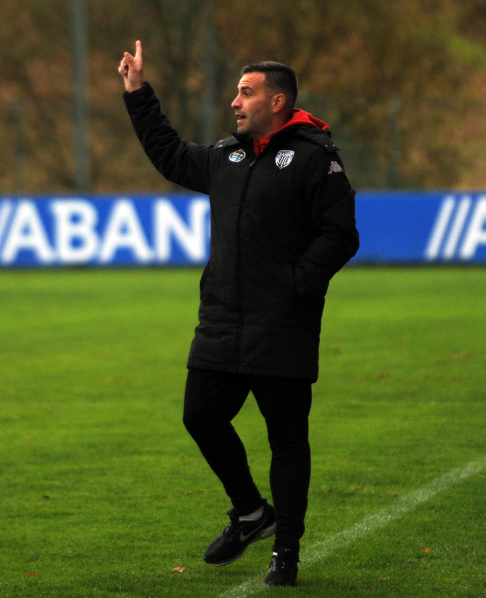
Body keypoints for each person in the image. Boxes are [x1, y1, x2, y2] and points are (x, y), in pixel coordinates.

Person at [118, 41, 359, 587]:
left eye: (245, 93)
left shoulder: (315, 156)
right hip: (222, 322)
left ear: (278, 102)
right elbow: (169, 154)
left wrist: (296, 285)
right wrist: (137, 93)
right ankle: (252, 513)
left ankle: (287, 553)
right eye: (236, 92)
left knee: (287, 440)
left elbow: (340, 234)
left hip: (282, 326)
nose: (234, 102)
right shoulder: (226, 156)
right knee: (199, 416)